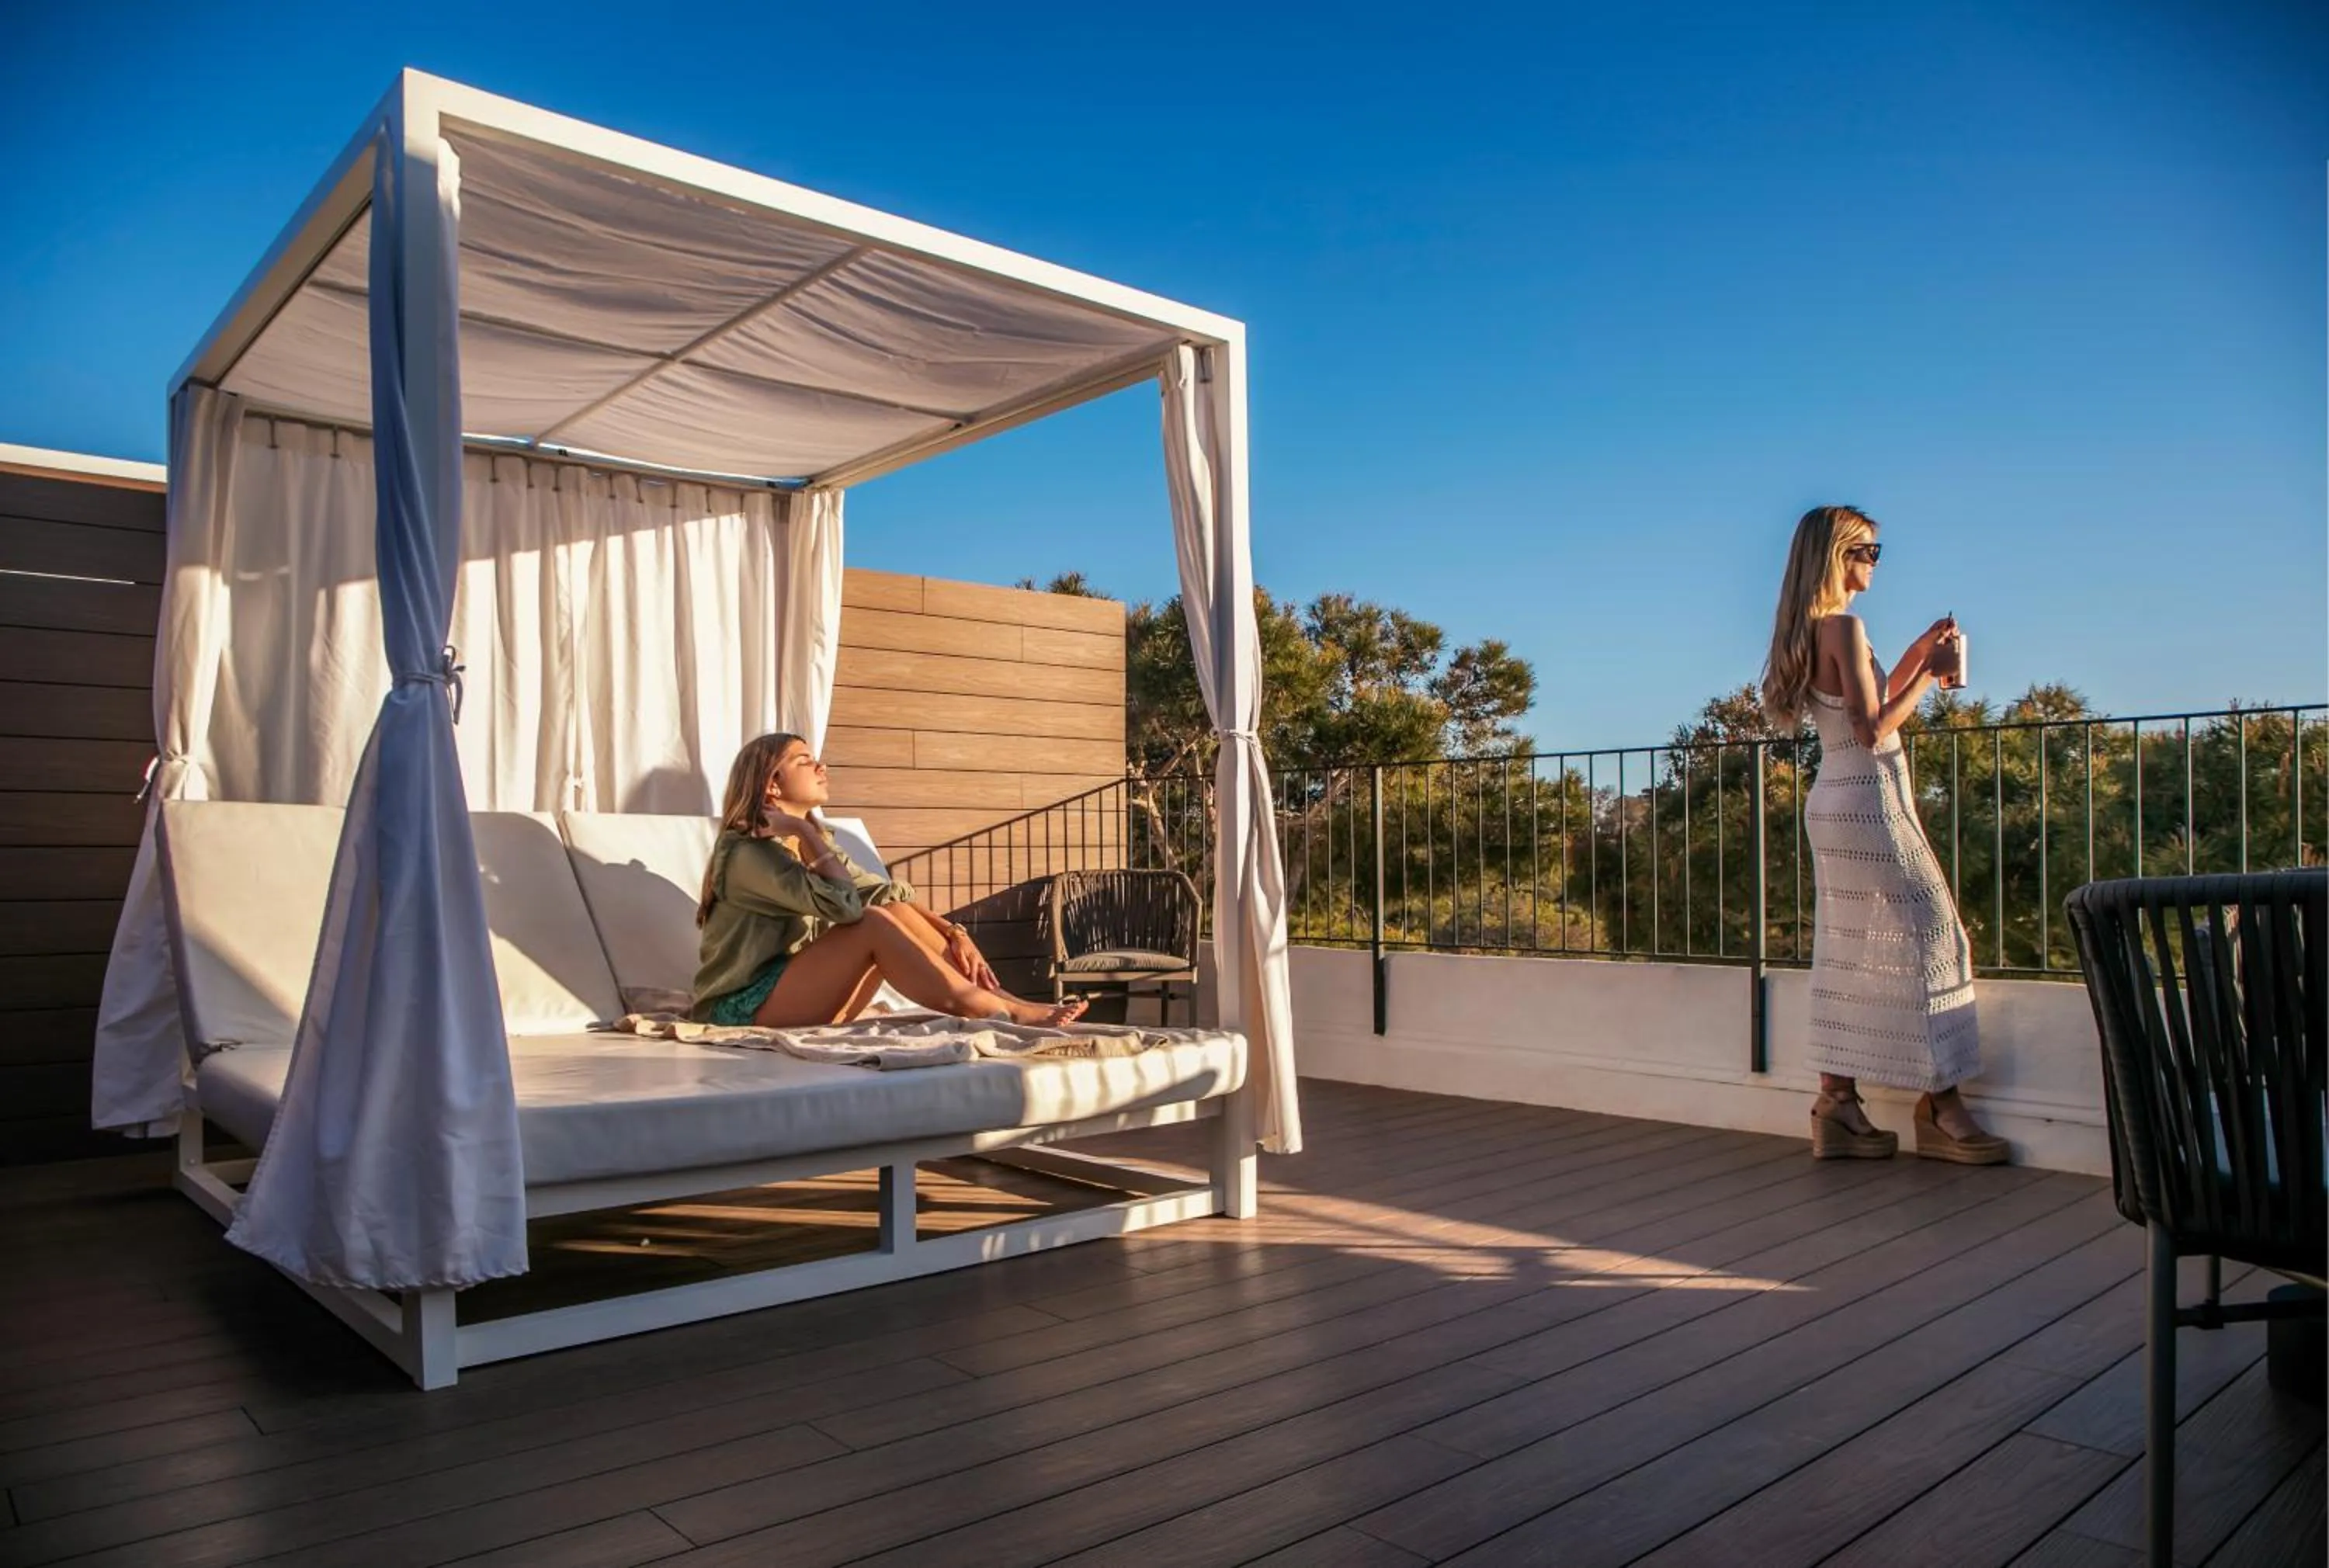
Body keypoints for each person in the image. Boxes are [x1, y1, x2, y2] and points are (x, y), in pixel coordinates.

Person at [1761, 505, 2008, 1164]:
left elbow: (1855, 714)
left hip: (1834, 800)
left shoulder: (1812, 630)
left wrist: (1913, 657)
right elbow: (1874, 732)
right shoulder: (1843, 625)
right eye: (1868, 551)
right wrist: (1931, 673)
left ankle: (1837, 1105)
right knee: (1935, 939)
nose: (1875, 562)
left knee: (1849, 949)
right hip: (1869, 800)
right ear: (1838, 556)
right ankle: (1942, 1108)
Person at [692, 732, 1089, 1029]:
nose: (821, 767)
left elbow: (882, 892)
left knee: (892, 909)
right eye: (804, 760)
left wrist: (954, 931)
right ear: (771, 784)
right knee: (871, 923)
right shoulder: (748, 853)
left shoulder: (813, 842)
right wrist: (806, 833)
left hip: (795, 999)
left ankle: (1001, 1000)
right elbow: (849, 908)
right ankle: (993, 1011)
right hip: (740, 1010)